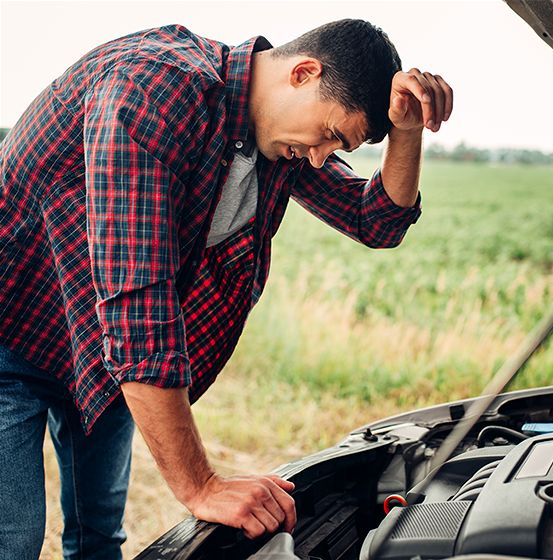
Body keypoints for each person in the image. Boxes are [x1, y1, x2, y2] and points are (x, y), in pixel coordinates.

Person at [0, 19, 452, 559]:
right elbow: (138, 306)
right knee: (14, 540)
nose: (319, 156)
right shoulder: (153, 88)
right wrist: (201, 487)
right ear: (304, 73)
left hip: (98, 353)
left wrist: (407, 130)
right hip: (15, 333)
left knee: (99, 536)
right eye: (332, 134)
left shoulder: (276, 133)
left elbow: (376, 219)